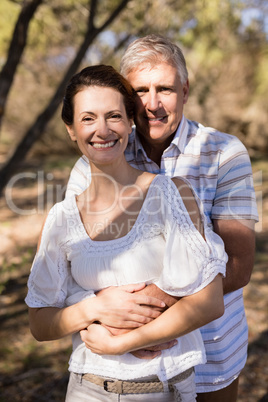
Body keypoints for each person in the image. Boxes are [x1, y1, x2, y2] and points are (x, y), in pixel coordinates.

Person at [66, 35, 259, 401]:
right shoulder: (96, 160)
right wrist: (106, 317)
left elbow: (238, 264)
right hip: (121, 362)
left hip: (211, 354)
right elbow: (70, 260)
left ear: (184, 91)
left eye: (165, 89)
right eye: (140, 90)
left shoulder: (224, 154)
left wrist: (140, 315)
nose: (152, 104)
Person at [25, 65, 227, 402]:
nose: (102, 130)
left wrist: (123, 342)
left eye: (114, 116)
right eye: (88, 118)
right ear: (71, 129)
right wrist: (95, 308)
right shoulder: (61, 218)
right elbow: (39, 323)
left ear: (131, 122)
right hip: (89, 389)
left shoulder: (170, 194)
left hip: (166, 388)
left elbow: (210, 302)